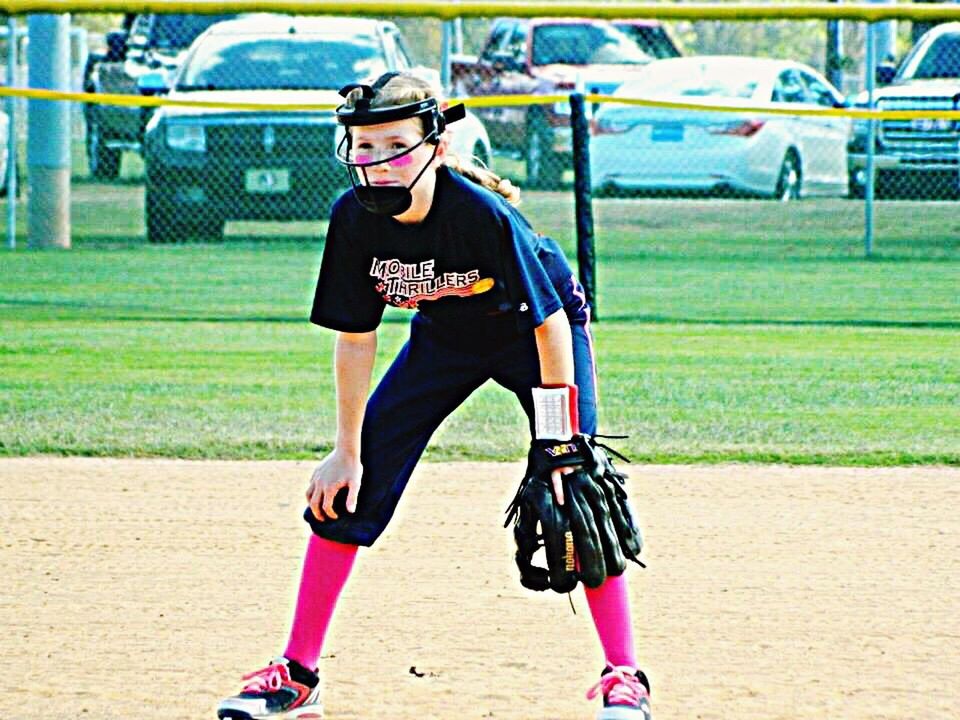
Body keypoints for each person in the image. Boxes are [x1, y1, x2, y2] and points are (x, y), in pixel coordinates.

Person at [217, 71, 651, 720]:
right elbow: (356, 339)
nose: (376, 162)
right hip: (445, 338)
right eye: (362, 147)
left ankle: (625, 678)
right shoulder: (355, 220)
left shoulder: (480, 217)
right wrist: (345, 449)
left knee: (575, 489)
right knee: (348, 489)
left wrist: (559, 441)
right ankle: (297, 674)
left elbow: (550, 324)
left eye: (394, 144)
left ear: (437, 148)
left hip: (535, 337)